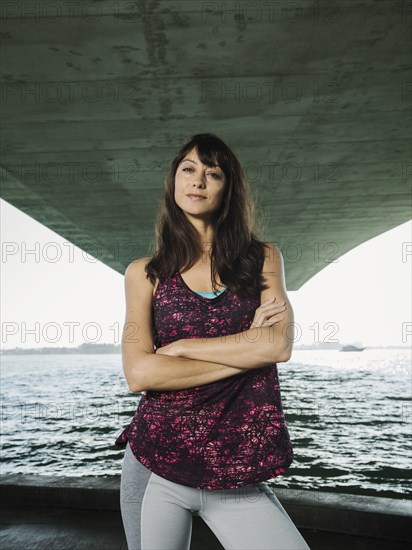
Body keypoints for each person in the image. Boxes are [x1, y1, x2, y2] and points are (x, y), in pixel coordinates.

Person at [115, 133, 311, 550]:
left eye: (212, 173)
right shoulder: (144, 273)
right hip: (154, 463)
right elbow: (140, 372)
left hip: (235, 468)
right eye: (188, 169)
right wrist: (248, 347)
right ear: (173, 183)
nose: (198, 181)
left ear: (228, 188)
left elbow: (278, 347)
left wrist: (184, 346)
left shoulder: (264, 259)